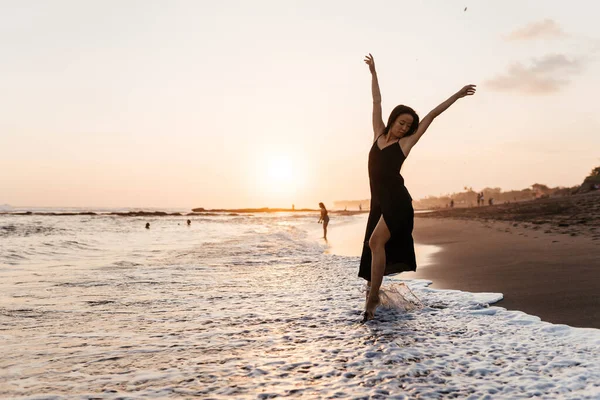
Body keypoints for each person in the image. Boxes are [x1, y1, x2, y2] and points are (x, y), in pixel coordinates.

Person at [360, 53, 476, 321]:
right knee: (372, 246)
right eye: (401, 123)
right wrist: (374, 73)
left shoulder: (405, 145)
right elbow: (376, 101)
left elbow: (433, 115)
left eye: (408, 126)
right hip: (378, 202)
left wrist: (457, 95)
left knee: (375, 242)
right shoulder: (378, 133)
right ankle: (372, 291)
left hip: (398, 202)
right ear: (393, 120)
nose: (404, 128)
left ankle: (372, 299)